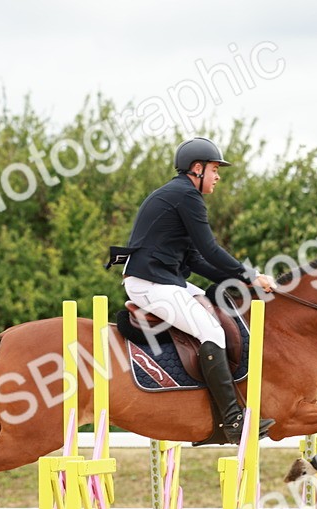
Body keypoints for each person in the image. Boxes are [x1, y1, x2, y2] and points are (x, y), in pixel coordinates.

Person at [116, 136, 276, 445]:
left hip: (164, 278)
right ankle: (233, 421)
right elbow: (211, 250)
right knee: (212, 333)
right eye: (215, 170)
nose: (218, 177)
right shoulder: (186, 196)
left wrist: (243, 280)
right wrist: (251, 274)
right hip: (150, 283)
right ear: (197, 169)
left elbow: (195, 259)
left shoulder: (179, 195)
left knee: (212, 313)